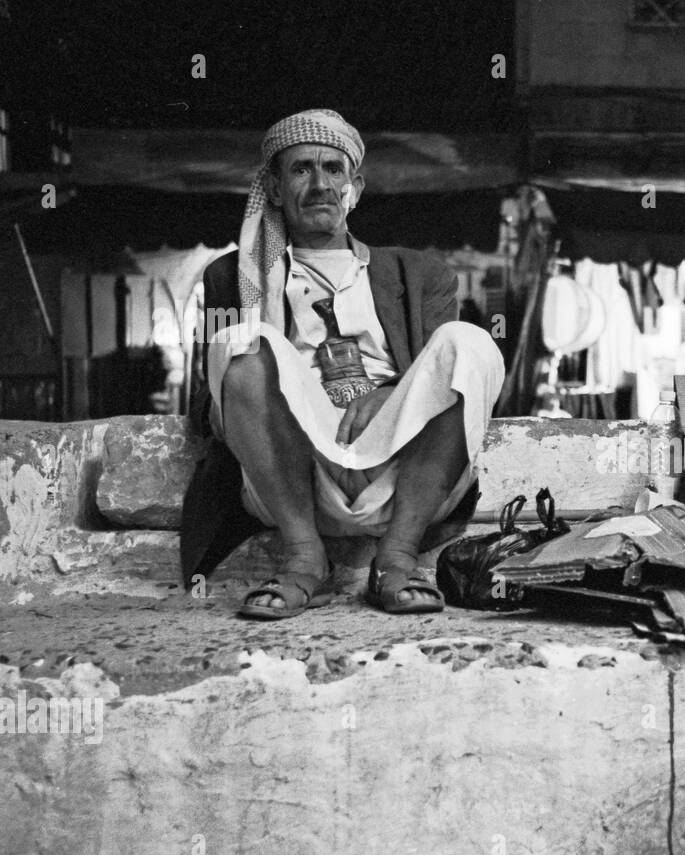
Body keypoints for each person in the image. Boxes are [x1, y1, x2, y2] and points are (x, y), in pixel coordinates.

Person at [181, 109, 504, 617]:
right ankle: (304, 557)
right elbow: (209, 407)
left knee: (469, 343)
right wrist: (304, 412)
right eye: (302, 169)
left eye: (334, 169)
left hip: (404, 477)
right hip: (296, 481)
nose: (320, 185)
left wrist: (388, 396)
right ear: (273, 186)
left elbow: (443, 377)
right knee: (243, 341)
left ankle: (395, 558)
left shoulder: (419, 274)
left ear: (356, 186)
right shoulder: (233, 275)